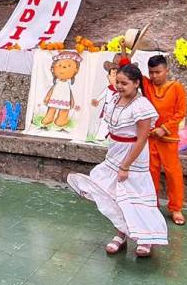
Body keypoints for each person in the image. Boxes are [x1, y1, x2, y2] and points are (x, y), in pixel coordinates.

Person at [67, 64, 168, 258]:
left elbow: (142, 138)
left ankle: (145, 239)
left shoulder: (142, 106)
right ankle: (121, 234)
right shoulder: (115, 98)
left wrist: (126, 165)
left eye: (125, 83)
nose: (120, 86)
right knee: (115, 196)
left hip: (133, 156)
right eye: (118, 82)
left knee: (135, 198)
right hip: (115, 153)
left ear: (137, 83)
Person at [142, 55, 187, 226]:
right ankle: (151, 205)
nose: (154, 76)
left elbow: (180, 112)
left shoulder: (177, 88)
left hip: (168, 138)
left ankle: (176, 208)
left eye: (158, 72)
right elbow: (127, 68)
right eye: (151, 72)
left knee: (173, 173)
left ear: (166, 71)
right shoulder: (146, 85)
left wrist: (165, 128)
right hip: (150, 137)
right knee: (150, 172)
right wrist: (126, 49)